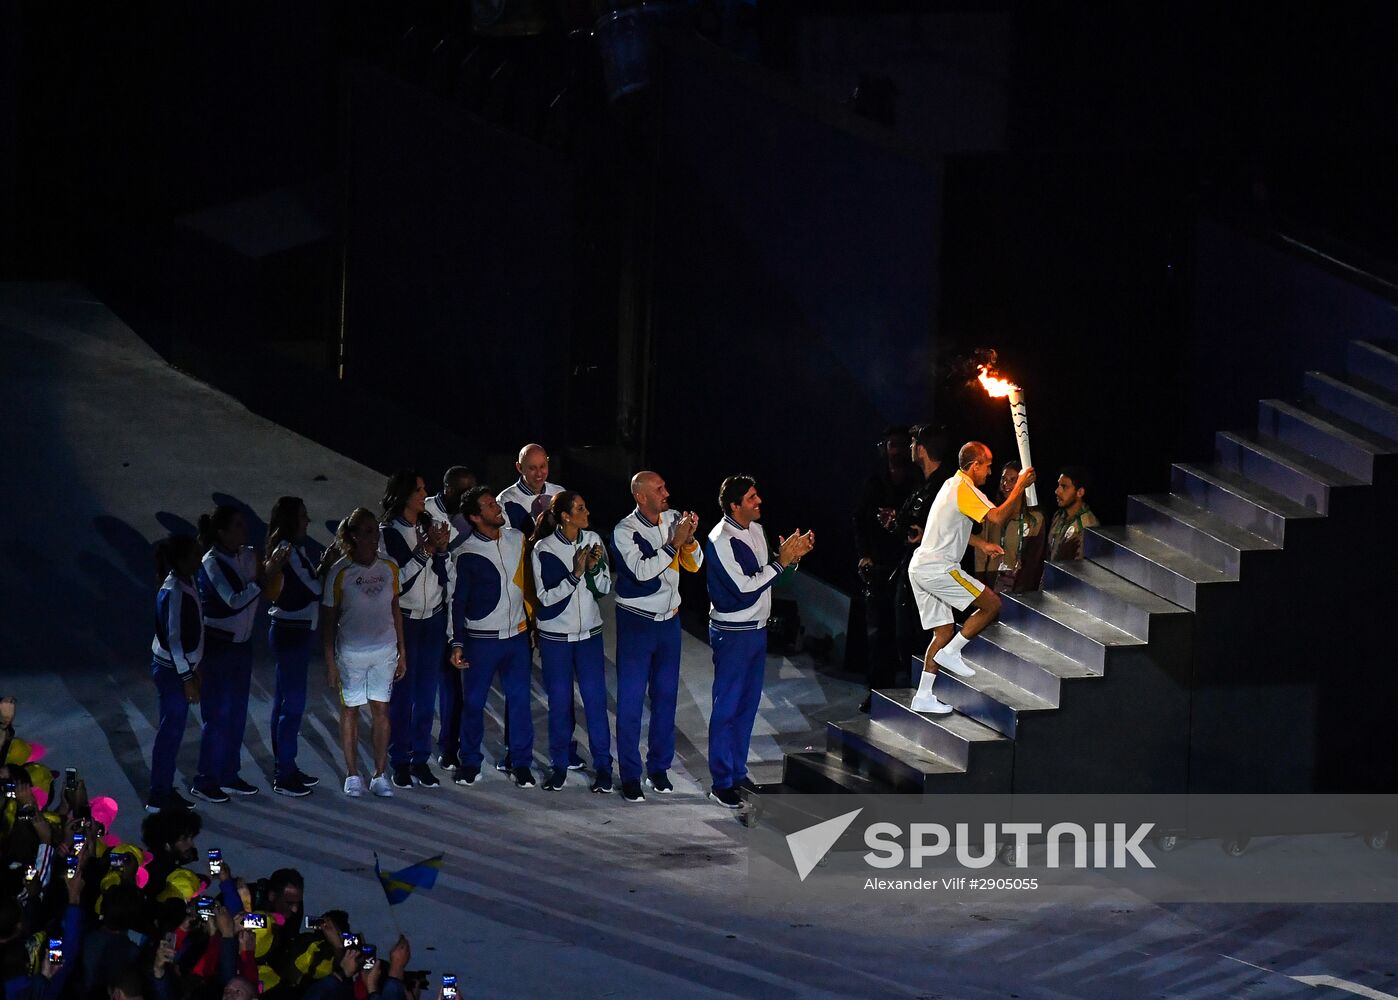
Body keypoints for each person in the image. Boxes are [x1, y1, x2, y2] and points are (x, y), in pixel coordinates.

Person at [703, 476, 814, 808]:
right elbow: (744, 588)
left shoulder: (755, 531)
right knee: (727, 708)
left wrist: (792, 561)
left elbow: (768, 581)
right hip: (733, 635)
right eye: (752, 498)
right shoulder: (720, 540)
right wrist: (781, 562)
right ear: (735, 505)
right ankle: (722, 782)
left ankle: (737, 773)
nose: (759, 501)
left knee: (747, 707)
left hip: (756, 631)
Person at [907, 442, 1035, 714]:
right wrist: (1020, 485)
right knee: (991, 605)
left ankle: (923, 695)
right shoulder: (965, 489)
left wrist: (980, 544)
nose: (989, 472)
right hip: (939, 568)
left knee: (942, 631)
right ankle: (952, 652)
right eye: (987, 466)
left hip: (919, 567)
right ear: (974, 465)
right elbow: (998, 517)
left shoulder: (951, 485)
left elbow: (951, 528)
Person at [611, 471, 702, 802]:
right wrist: (675, 542)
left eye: (665, 486)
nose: (667, 492)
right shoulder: (625, 531)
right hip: (636, 623)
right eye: (659, 489)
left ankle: (659, 768)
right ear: (641, 497)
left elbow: (694, 565)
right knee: (632, 702)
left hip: (669, 624)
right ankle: (631, 775)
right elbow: (641, 572)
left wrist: (689, 539)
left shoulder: (673, 519)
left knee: (666, 698)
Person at [191, 505, 289, 804]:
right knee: (217, 716)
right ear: (220, 532)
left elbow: (269, 590)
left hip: (241, 647)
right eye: (237, 525)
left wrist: (274, 567)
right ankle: (206, 779)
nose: (244, 531)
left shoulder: (248, 555)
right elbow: (233, 601)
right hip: (218, 648)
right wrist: (265, 575)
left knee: (235, 715)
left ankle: (229, 775)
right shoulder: (210, 563)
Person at [494, 443, 577, 771]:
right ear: (519, 468)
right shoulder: (506, 501)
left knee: (561, 681)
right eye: (532, 468)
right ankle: (514, 751)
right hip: (522, 595)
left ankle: (566, 750)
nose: (539, 473)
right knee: (518, 681)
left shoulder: (560, 493)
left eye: (543, 466)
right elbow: (515, 545)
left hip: (555, 594)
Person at [449, 486, 536, 788]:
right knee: (474, 703)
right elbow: (457, 602)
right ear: (474, 516)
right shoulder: (464, 552)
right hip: (481, 640)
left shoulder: (517, 539)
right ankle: (470, 762)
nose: (497, 508)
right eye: (489, 505)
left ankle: (521, 762)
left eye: (495, 503)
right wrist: (457, 642)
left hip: (517, 637)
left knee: (520, 701)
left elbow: (528, 584)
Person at [528, 492, 613, 792]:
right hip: (556, 639)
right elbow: (546, 598)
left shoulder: (593, 540)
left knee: (595, 703)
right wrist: (576, 574)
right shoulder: (543, 548)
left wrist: (591, 571)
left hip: (590, 636)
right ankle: (559, 766)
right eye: (580, 508)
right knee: (560, 704)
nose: (587, 511)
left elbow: (604, 588)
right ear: (565, 516)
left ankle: (603, 768)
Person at [320, 508, 407, 798]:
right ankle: (352, 774)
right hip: (351, 654)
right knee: (351, 709)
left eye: (375, 530)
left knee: (381, 709)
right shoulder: (340, 572)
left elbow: (395, 609)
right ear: (354, 535)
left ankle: (381, 774)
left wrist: (402, 651)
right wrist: (331, 663)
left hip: (384, 651)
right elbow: (329, 620)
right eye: (367, 531)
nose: (374, 536)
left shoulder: (390, 567)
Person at [378, 472, 452, 791]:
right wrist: (424, 551)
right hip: (405, 620)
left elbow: (444, 574)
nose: (425, 494)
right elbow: (397, 581)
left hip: (432, 618)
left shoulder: (427, 526)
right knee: (403, 695)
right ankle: (400, 761)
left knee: (426, 695)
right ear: (404, 494)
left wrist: (442, 550)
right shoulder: (388, 532)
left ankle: (421, 758)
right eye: (419, 489)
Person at [852, 426, 918, 711]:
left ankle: (911, 692)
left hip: (909, 566)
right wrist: (864, 555)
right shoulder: (875, 482)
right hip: (879, 567)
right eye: (891, 445)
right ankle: (878, 693)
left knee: (908, 633)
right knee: (878, 634)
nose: (896, 451)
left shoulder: (918, 482)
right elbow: (859, 520)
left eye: (901, 445)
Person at [264, 497, 323, 798]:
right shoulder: (287, 550)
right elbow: (314, 588)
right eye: (302, 516)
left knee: (284, 703)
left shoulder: (290, 549)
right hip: (292, 633)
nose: (308, 520)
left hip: (290, 631)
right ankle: (284, 773)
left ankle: (285, 766)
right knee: (293, 705)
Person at [890, 423, 948, 702]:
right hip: (910, 572)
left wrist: (927, 535)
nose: (911, 448)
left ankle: (925, 695)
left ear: (922, 449)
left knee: (921, 636)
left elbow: (962, 530)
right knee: (904, 635)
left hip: (931, 579)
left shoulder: (946, 487)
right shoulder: (921, 485)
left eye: (914, 443)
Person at [424, 467, 476, 773]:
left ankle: (448, 748)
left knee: (452, 686)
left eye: (469, 492)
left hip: (455, 607)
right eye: (460, 492)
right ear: (446, 488)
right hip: (427, 606)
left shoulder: (470, 517)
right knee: (423, 683)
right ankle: (409, 749)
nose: (464, 498)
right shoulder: (427, 511)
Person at [147, 534, 203, 812]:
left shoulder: (185, 583)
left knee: (172, 732)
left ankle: (164, 789)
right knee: (170, 733)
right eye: (195, 554)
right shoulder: (175, 591)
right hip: (172, 672)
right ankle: (159, 795)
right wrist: (187, 677)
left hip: (176, 668)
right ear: (182, 560)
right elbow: (174, 639)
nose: (200, 557)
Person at [973, 461, 1047, 593]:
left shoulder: (1035, 518)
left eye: (1013, 480)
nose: (1006, 484)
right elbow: (980, 553)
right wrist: (980, 583)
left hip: (1019, 581)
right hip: (992, 577)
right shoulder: (992, 513)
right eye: (1003, 479)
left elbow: (1035, 558)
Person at [1047, 465, 1100, 562]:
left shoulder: (1088, 526)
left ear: (1080, 492)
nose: (1057, 491)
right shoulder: (1058, 516)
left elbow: (1082, 568)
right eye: (1058, 485)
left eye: (1064, 487)